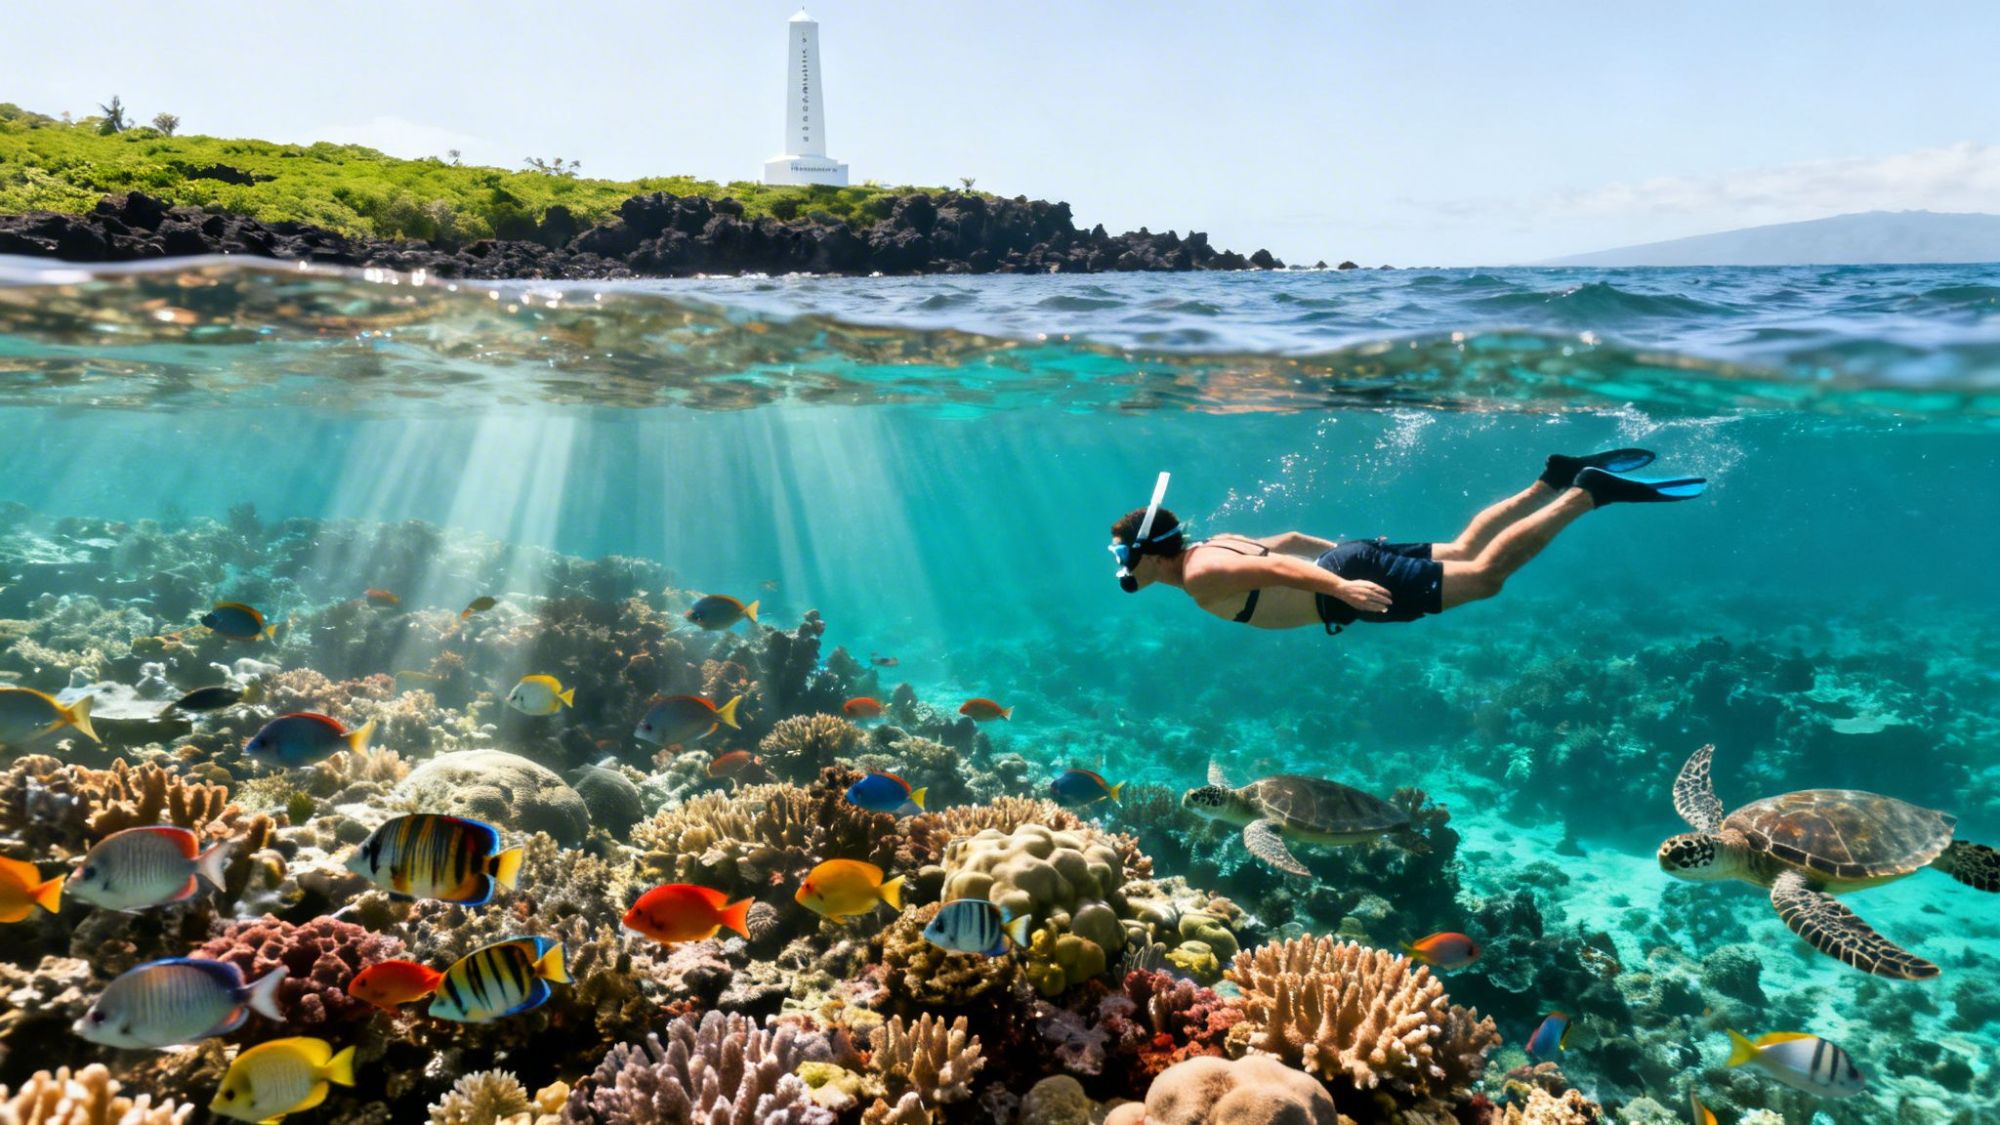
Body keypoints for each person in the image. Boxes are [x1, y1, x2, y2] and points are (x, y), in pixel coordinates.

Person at [1108, 451, 1705, 632]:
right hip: (1348, 562)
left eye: (1123, 554)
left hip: (1345, 582)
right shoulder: (1215, 542)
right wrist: (1347, 553)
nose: (1121, 565)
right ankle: (1550, 479)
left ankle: (1586, 493)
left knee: (1487, 576)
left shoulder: (1201, 577)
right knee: (1466, 544)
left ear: (1146, 553)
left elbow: (1286, 571)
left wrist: (1343, 582)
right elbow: (1290, 539)